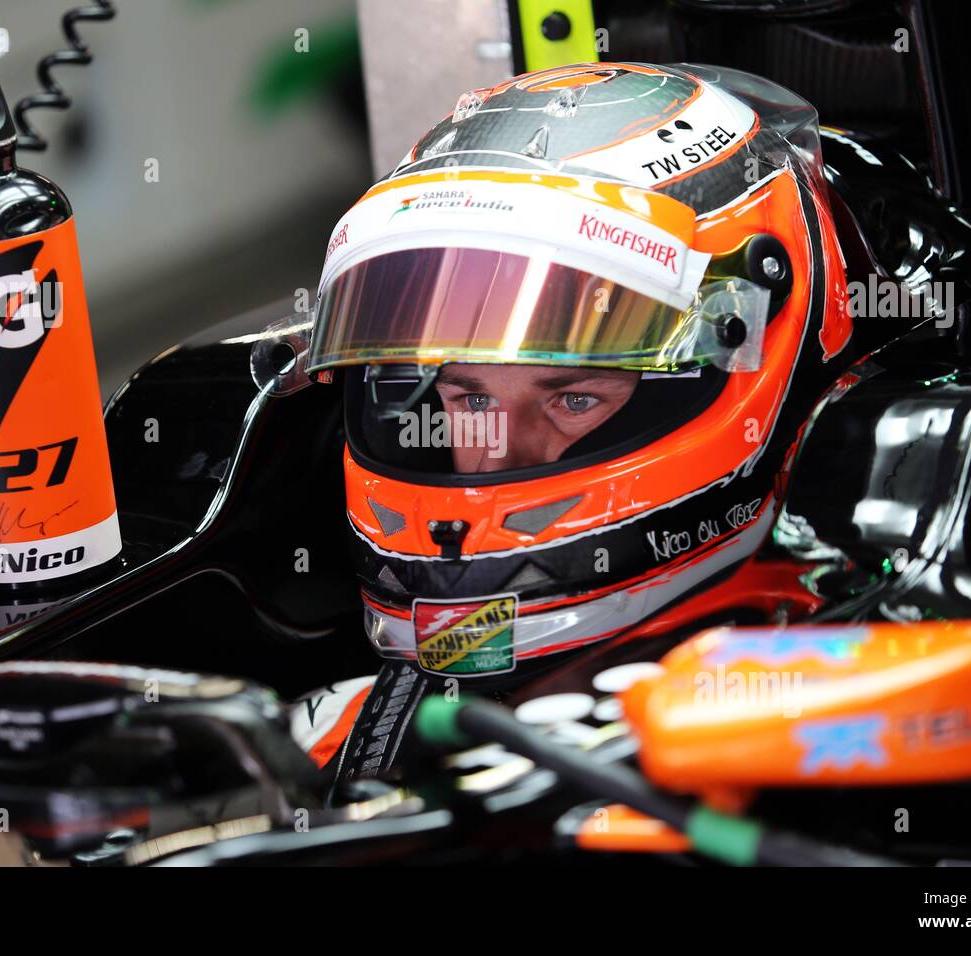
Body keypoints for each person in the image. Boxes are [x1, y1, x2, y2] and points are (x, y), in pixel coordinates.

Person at [281, 62, 854, 786]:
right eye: (468, 398)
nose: (494, 459)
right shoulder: (329, 741)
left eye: (573, 400)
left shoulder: (858, 706)